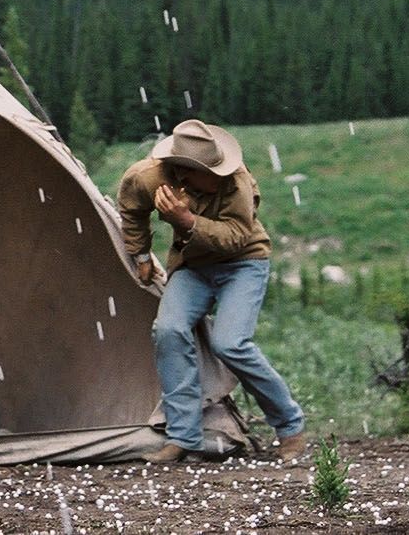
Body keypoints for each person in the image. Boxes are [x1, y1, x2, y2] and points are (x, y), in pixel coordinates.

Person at [117, 119, 307, 463]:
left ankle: (290, 427)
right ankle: (183, 437)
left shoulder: (237, 184)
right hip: (193, 266)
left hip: (244, 263)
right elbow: (131, 206)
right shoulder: (148, 177)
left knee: (230, 343)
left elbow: (235, 237)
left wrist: (187, 221)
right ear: (185, 172)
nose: (223, 173)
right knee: (169, 331)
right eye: (212, 170)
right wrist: (141, 253)